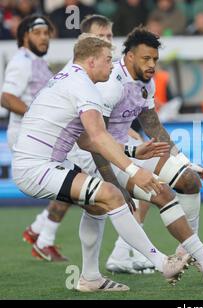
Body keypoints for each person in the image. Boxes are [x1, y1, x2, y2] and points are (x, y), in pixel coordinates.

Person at [12, 34, 190, 292]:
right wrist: (133, 170)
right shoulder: (83, 86)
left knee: (97, 205)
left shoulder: (69, 78)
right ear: (92, 61)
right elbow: (98, 136)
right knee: (111, 193)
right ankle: (163, 263)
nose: (112, 65)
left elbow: (86, 140)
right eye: (108, 60)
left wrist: (133, 149)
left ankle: (90, 278)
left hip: (40, 163)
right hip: (36, 167)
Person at [94, 27, 203, 284]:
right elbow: (96, 138)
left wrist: (185, 161)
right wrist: (116, 186)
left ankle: (185, 249)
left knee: (190, 180)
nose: (152, 65)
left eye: (155, 60)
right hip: (101, 155)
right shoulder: (111, 84)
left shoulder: (147, 82)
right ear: (129, 57)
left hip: (127, 148)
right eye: (146, 59)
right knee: (160, 194)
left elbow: (152, 126)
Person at [22, 14, 115, 262]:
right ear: (85, 39)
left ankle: (41, 231)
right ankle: (45, 238)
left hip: (66, 140)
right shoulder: (79, 75)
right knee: (87, 190)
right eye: (100, 36)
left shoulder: (102, 71)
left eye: (109, 36)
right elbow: (96, 132)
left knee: (80, 191)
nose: (106, 41)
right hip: (58, 142)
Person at [0, 15, 70, 260]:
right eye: (38, 32)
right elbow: (7, 97)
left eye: (46, 32)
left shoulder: (38, 61)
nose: (44, 37)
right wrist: (36, 116)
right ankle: (42, 238)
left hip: (40, 136)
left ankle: (38, 231)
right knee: (72, 181)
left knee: (73, 181)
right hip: (27, 136)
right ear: (25, 35)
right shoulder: (22, 61)